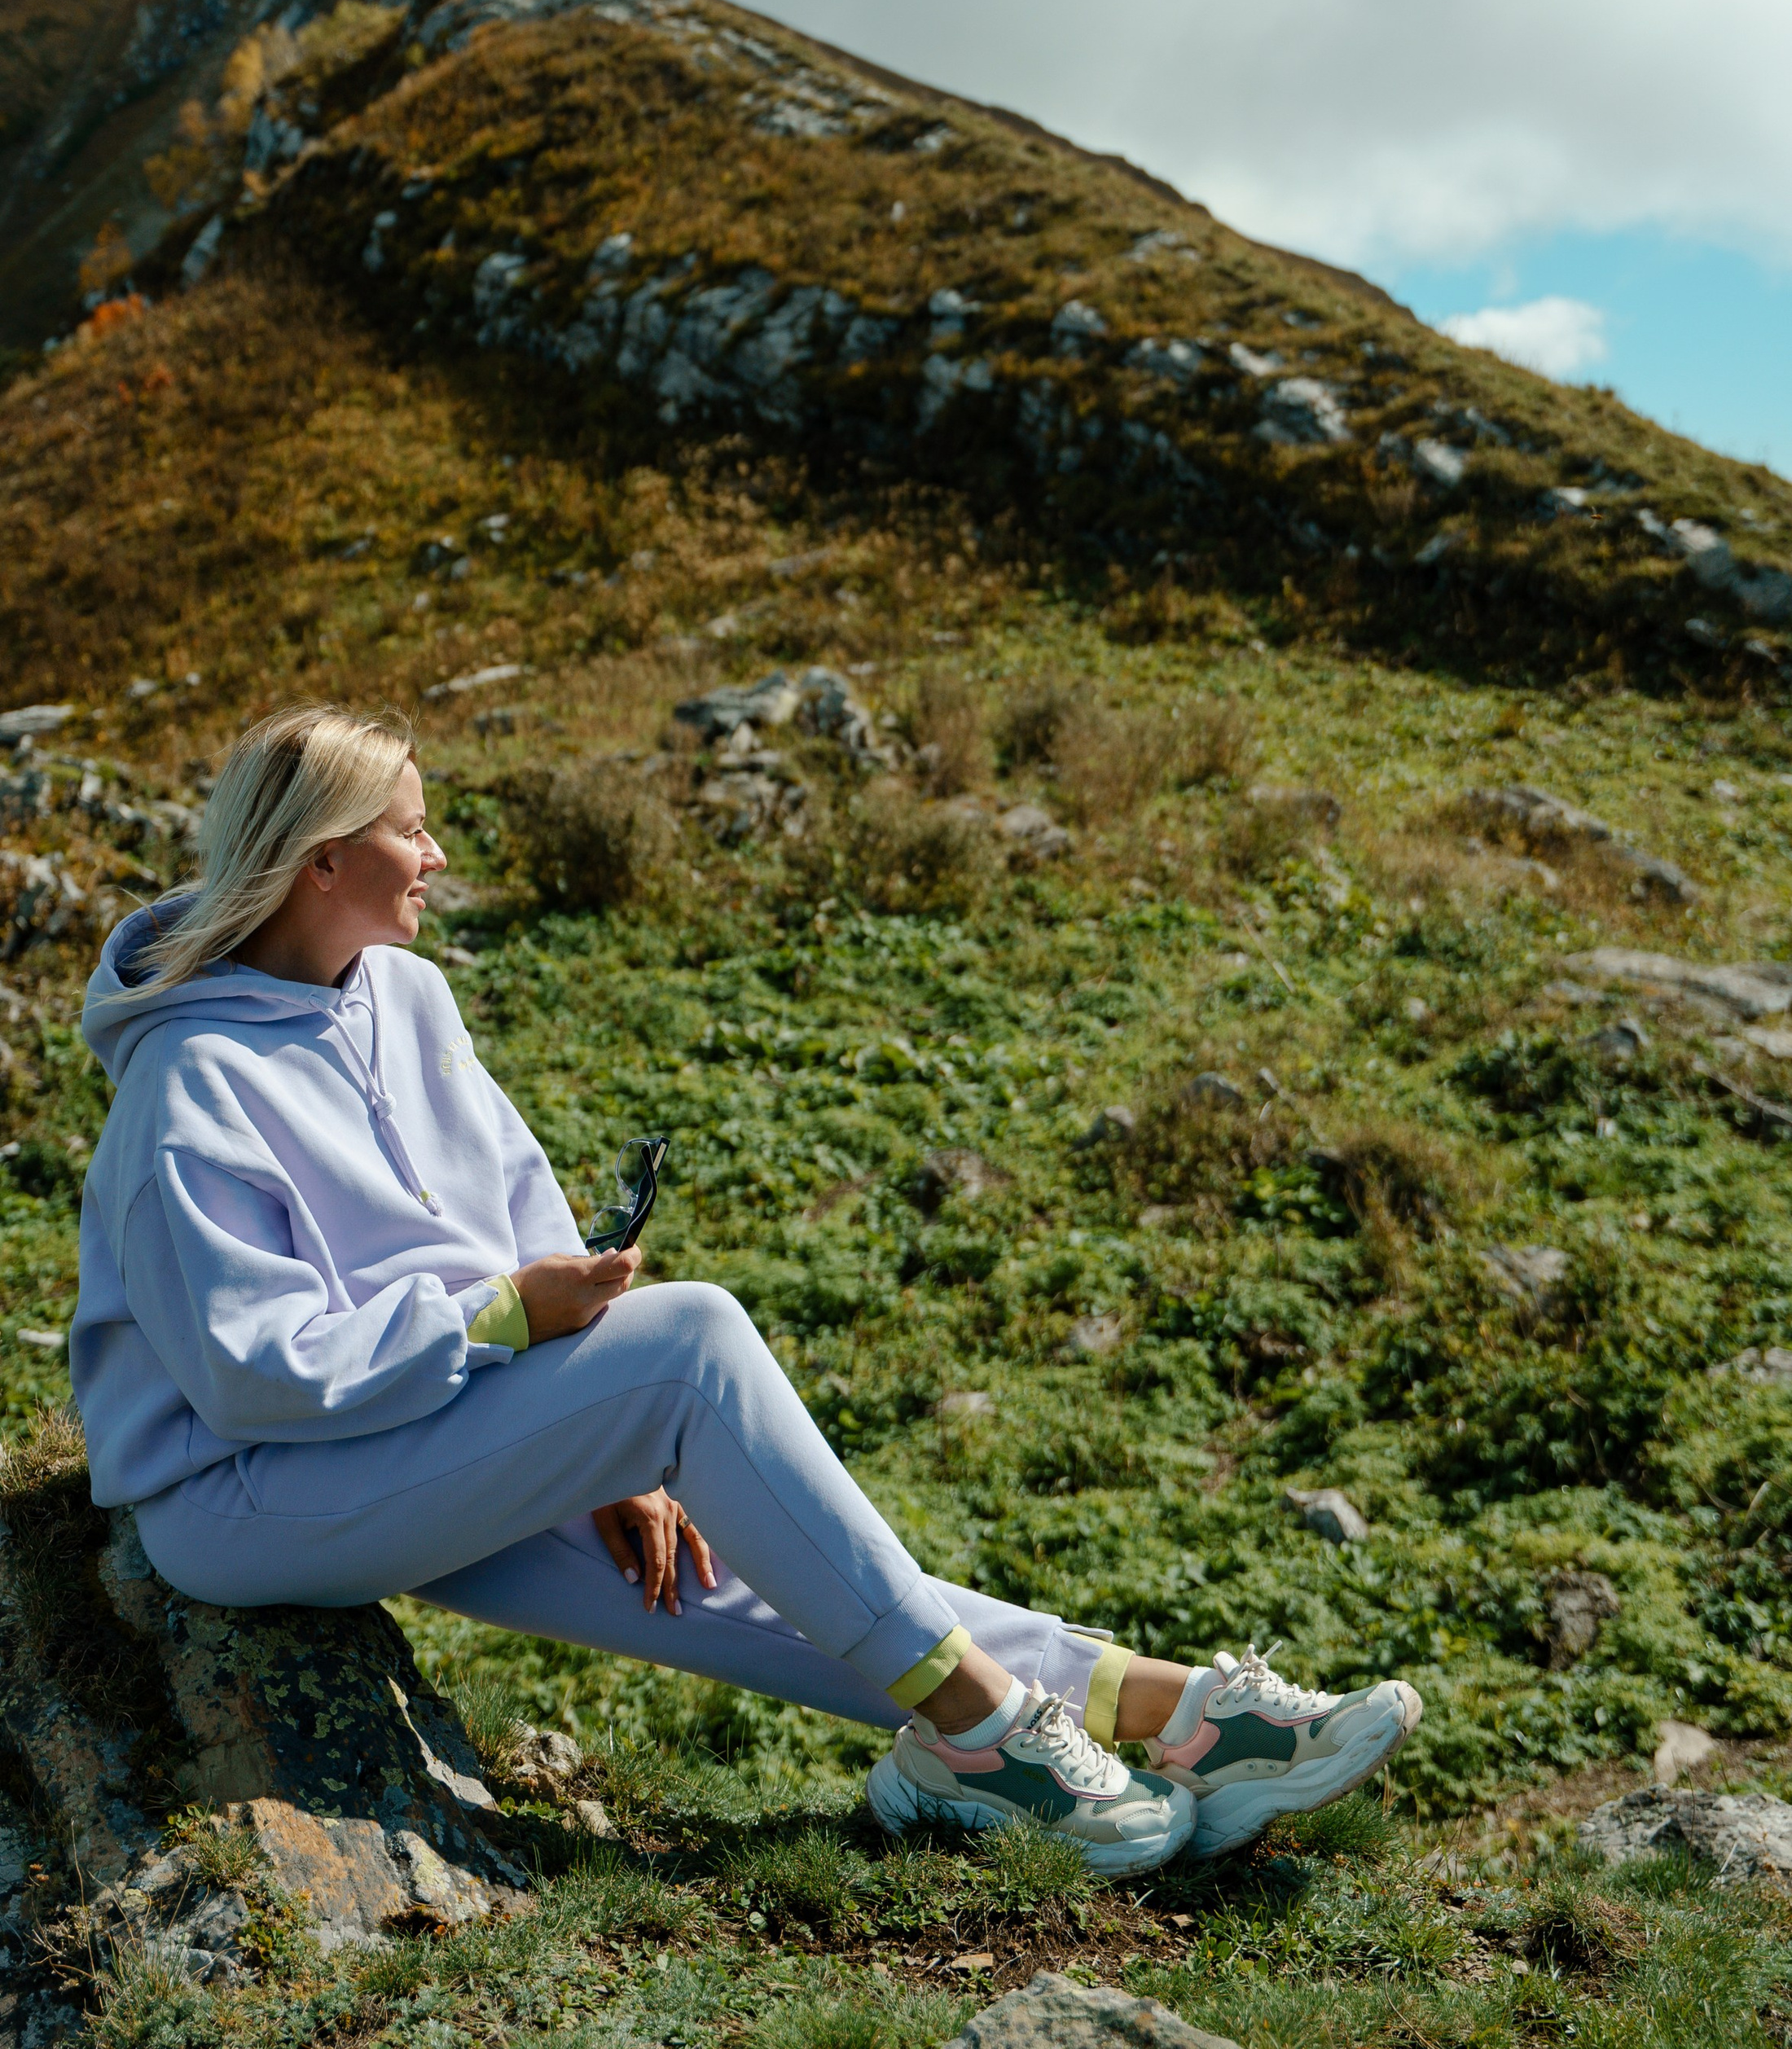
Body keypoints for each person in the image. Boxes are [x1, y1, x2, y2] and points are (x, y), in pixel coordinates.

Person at [70, 705, 1421, 1870]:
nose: (436, 855)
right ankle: (986, 1742)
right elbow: (252, 1373)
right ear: (323, 863)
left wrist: (588, 1430)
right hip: (248, 1495)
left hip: (413, 1418)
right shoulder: (191, 1087)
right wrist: (505, 1331)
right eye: (411, 832)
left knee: (743, 1552)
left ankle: (1173, 1717)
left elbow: (508, 1200)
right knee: (691, 1343)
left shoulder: (403, 997)